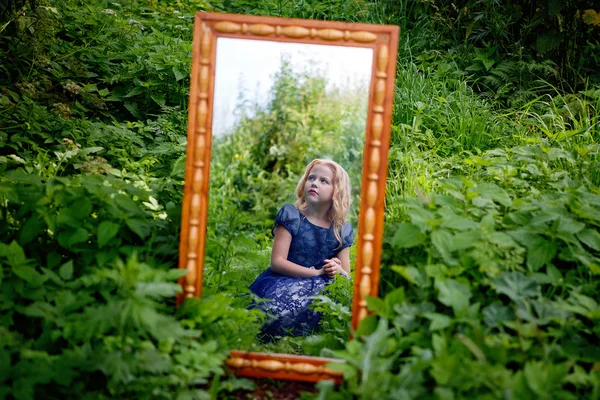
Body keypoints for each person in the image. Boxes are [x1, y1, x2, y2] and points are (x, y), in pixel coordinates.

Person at [249, 159, 354, 338]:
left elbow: (347, 275)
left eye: (324, 181)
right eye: (311, 178)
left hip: (319, 285)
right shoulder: (292, 216)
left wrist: (336, 269)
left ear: (337, 191)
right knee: (271, 312)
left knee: (330, 300)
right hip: (284, 278)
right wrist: (317, 273)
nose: (314, 183)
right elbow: (277, 262)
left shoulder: (341, 229)